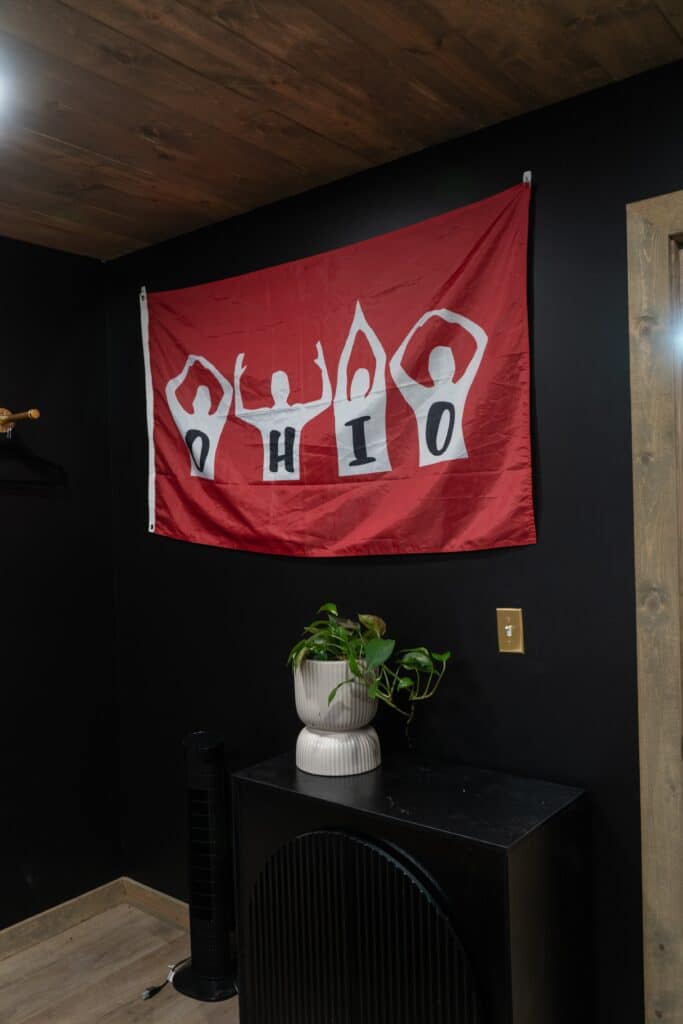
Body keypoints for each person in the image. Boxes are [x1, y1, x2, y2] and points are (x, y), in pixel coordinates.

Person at [389, 309, 487, 466]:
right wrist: (419, 325)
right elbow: (394, 366)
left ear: (454, 367)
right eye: (437, 364)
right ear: (429, 369)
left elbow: (482, 340)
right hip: (429, 472)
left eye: (446, 363)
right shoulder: (421, 395)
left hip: (457, 468)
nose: (442, 368)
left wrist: (450, 316)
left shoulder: (458, 389)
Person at [234, 342, 332, 481]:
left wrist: (237, 380)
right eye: (278, 385)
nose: (280, 389)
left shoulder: (267, 415)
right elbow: (326, 400)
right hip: (285, 478)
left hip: (275, 479)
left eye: (282, 385)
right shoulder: (295, 412)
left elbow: (239, 411)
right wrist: (323, 369)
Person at [334, 301, 392, 476]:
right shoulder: (342, 404)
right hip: (356, 472)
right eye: (358, 377)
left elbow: (381, 359)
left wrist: (362, 328)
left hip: (375, 472)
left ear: (368, 385)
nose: (359, 381)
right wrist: (355, 331)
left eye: (363, 378)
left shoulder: (373, 401)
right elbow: (342, 367)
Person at [165, 354, 233, 480]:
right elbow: (169, 389)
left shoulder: (215, 421)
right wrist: (186, 369)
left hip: (210, 482)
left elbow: (228, 390)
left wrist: (209, 366)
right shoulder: (185, 418)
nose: (200, 401)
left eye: (204, 398)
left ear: (210, 404)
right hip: (185, 482)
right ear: (193, 402)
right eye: (198, 397)